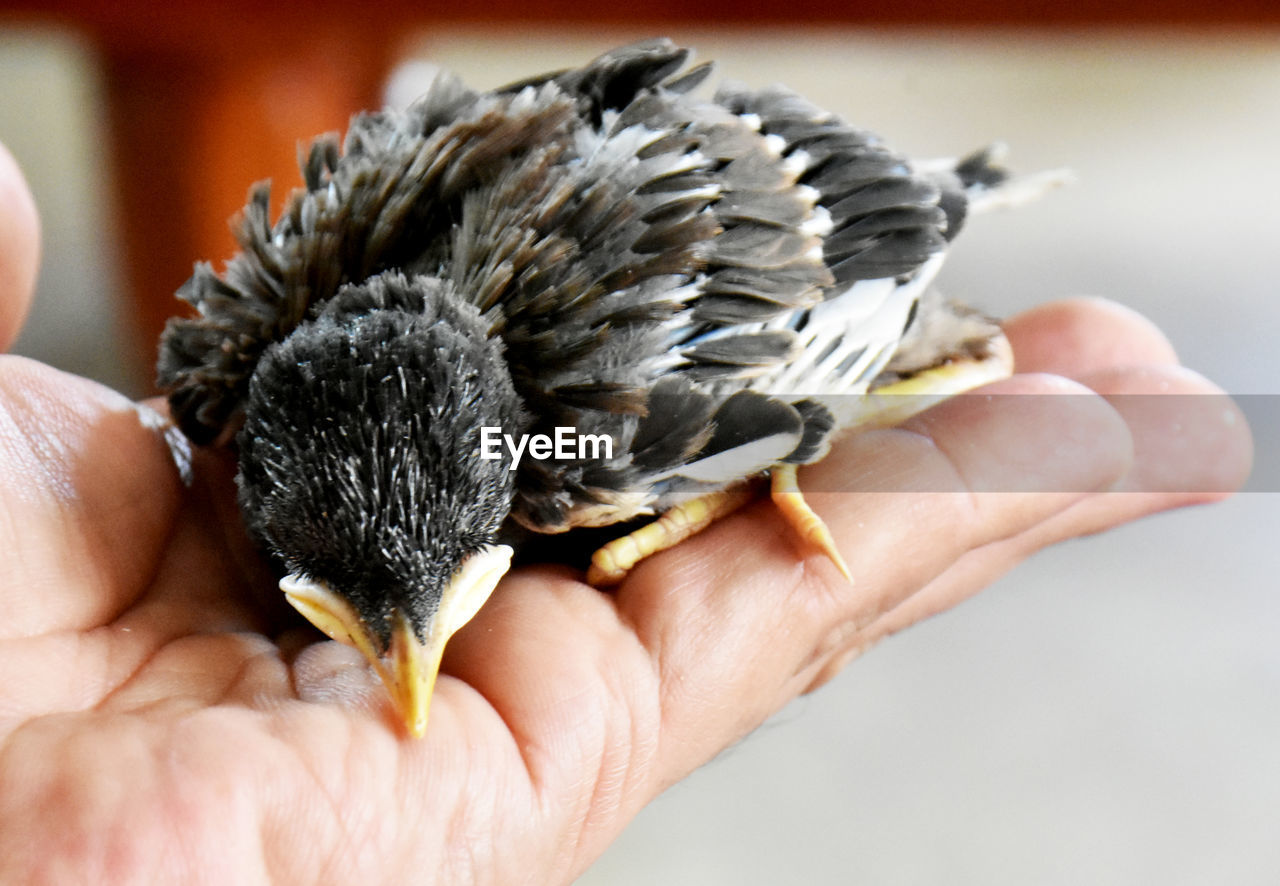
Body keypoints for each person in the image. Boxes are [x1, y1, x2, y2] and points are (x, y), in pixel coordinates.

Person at [0, 140, 1252, 884]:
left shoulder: (565, 426)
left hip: (805, 215)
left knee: (730, 425)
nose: (409, 681)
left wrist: (746, 454)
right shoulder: (237, 377)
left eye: (418, 601)